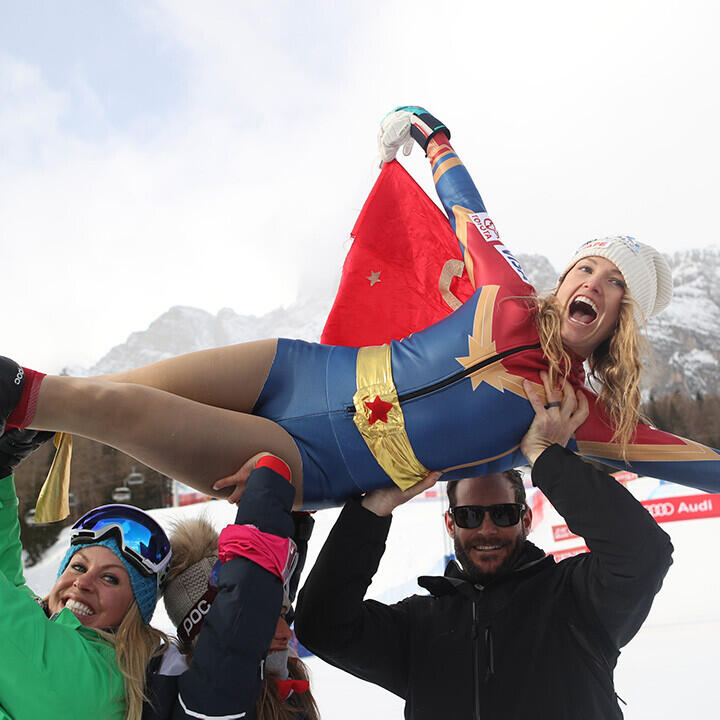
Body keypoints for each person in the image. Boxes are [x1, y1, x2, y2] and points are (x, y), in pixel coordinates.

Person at [1, 106, 718, 512]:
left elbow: (699, 466)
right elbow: (468, 210)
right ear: (565, 283)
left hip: (315, 463)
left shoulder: (577, 418)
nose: (590, 281)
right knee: (96, 394)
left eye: (612, 282)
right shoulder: (502, 291)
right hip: (296, 372)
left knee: (116, 413)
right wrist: (434, 138)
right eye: (584, 267)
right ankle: (15, 426)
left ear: (621, 321)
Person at [294, 373, 674, 719]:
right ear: (451, 523)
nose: (487, 529)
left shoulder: (576, 600)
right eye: (470, 516)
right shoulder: (419, 627)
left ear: (526, 519)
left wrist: (545, 458)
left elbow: (642, 553)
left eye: (504, 514)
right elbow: (322, 626)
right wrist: (374, 508)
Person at [0, 429, 171, 720]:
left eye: (110, 578)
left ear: (135, 609)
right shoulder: (45, 629)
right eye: (78, 566)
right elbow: (10, 584)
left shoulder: (101, 683)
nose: (83, 582)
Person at [142, 455, 319, 720]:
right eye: (269, 620)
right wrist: (270, 478)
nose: (286, 632)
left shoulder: (278, 679)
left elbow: (265, 590)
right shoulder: (208, 703)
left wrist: (296, 514)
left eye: (281, 616)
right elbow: (248, 599)